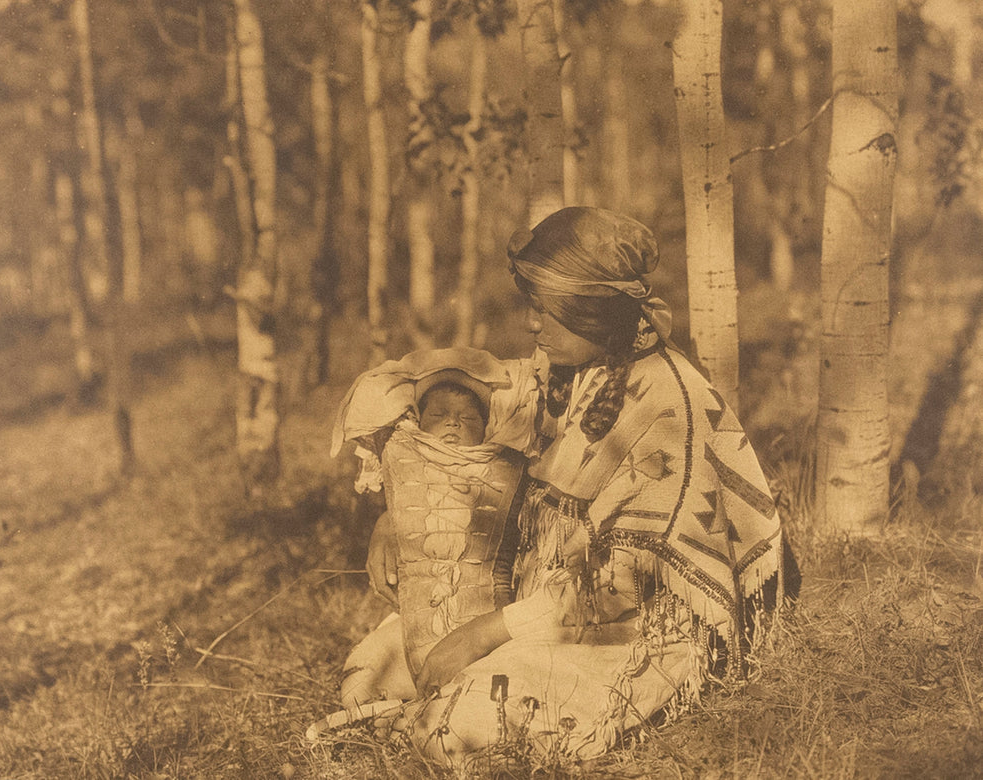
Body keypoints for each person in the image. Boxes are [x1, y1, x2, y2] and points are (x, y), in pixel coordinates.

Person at [330, 207, 794, 769]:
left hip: (635, 635)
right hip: (539, 608)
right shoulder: (565, 374)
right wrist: (393, 519)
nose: (531, 325)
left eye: (545, 311)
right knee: (369, 671)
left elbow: (619, 591)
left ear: (592, 316)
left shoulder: (671, 409)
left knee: (453, 726)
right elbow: (416, 385)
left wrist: (483, 636)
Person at [327, 349, 539, 709]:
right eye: (439, 415)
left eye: (468, 418)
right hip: (418, 623)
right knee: (359, 683)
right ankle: (404, 712)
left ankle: (416, 717)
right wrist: (387, 519)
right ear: (419, 424)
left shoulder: (508, 463)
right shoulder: (406, 455)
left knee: (481, 700)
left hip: (494, 629)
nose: (453, 424)